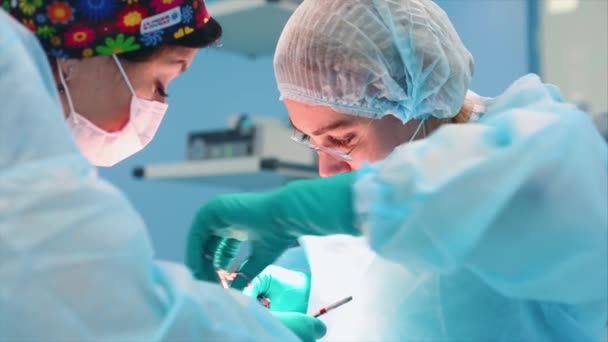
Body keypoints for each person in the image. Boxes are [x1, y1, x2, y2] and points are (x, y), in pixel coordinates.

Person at [186, 0, 608, 340]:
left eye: (342, 139)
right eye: (308, 140)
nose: (327, 171)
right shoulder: (379, 195)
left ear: (414, 100)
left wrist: (293, 209)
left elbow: (457, 193)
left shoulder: (538, 161)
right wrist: (308, 282)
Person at [0, 1, 325, 340]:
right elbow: (126, 317)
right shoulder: (28, 191)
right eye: (160, 84)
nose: (157, 107)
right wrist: (252, 329)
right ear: (76, 57)